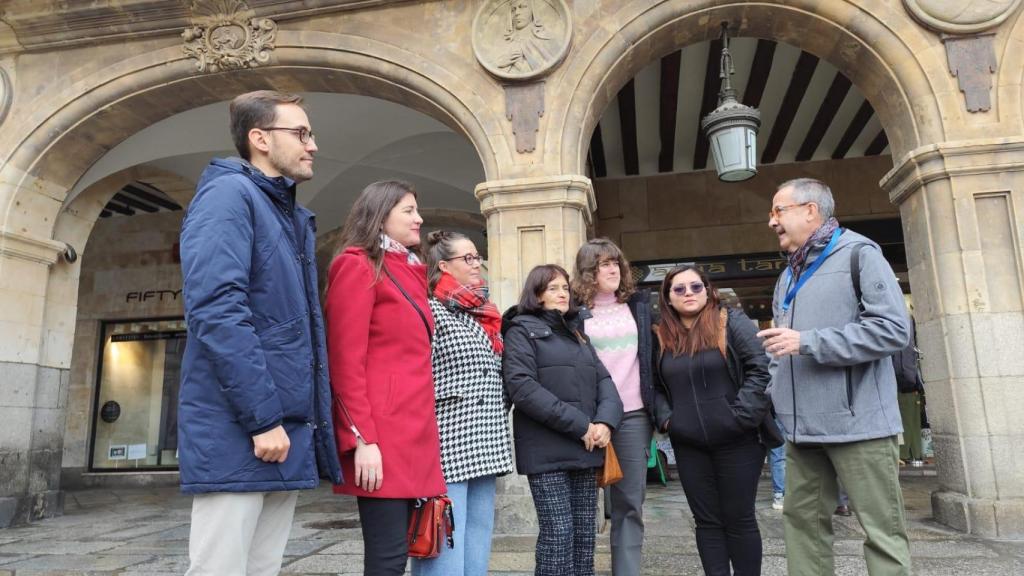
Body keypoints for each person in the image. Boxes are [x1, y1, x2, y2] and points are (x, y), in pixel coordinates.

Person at [178, 90, 342, 576]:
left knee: (261, 567)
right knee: (220, 569)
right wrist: (262, 419)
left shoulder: (287, 213)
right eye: (301, 133)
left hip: (281, 427)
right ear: (260, 139)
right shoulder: (229, 194)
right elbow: (217, 310)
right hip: (247, 427)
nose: (313, 145)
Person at [758, 177, 912, 576]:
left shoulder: (860, 254)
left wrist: (808, 341)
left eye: (779, 211)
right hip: (801, 430)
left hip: (858, 426)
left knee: (882, 533)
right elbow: (781, 348)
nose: (771, 220)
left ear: (810, 211)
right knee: (802, 528)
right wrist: (778, 395)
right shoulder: (787, 275)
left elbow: (893, 330)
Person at [325, 180, 445, 576]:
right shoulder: (356, 264)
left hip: (414, 431)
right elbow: (345, 359)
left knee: (405, 553)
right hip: (382, 433)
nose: (419, 219)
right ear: (380, 215)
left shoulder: (407, 269)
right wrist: (362, 438)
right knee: (388, 557)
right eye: (409, 210)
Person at [652, 265, 780, 576]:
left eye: (695, 287)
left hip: (739, 441)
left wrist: (740, 418)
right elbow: (652, 386)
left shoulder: (729, 321)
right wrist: (669, 421)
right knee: (706, 521)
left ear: (708, 290)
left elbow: (761, 369)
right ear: (668, 298)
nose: (688, 294)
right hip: (689, 444)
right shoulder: (660, 336)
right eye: (679, 289)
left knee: (739, 518)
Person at [502, 264, 624, 576]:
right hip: (547, 451)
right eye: (553, 288)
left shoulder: (577, 334)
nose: (562, 294)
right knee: (558, 535)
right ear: (537, 294)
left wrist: (605, 423)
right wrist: (581, 425)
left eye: (565, 288)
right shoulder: (520, 330)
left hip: (586, 448)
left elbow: (605, 382)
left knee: (584, 536)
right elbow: (523, 388)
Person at [411, 230, 514, 576]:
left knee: (479, 535)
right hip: (447, 440)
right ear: (443, 266)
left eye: (477, 257)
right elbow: (416, 373)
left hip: (486, 438)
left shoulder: (483, 312)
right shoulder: (430, 310)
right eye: (467, 258)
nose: (477, 264)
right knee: (445, 537)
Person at [571, 238, 665, 576]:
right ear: (587, 272)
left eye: (614, 263)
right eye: (601, 264)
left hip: (633, 415)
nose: (611, 269)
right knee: (581, 506)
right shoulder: (572, 312)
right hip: (588, 419)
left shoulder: (638, 305)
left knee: (629, 503)